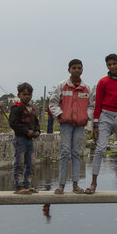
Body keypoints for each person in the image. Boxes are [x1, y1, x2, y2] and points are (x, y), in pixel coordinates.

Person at [87, 53, 117, 194]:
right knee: (100, 148)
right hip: (105, 116)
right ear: (107, 67)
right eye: (109, 65)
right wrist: (95, 124)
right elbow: (98, 105)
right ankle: (93, 183)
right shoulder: (103, 82)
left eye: (114, 63)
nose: (112, 67)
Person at [49, 59, 92, 194]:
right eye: (74, 68)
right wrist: (60, 115)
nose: (76, 70)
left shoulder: (87, 88)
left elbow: (92, 105)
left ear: (82, 70)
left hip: (79, 125)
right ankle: (61, 184)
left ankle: (75, 185)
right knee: (65, 152)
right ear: (69, 70)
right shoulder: (62, 86)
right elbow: (53, 103)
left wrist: (86, 116)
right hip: (66, 124)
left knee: (76, 153)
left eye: (79, 68)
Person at [9, 82, 41, 195]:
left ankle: (27, 185)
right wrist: (26, 131)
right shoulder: (16, 108)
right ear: (19, 95)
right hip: (20, 139)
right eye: (24, 94)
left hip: (29, 140)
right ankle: (18, 186)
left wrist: (37, 131)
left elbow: (36, 123)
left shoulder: (31, 109)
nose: (27, 96)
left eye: (29, 94)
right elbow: (13, 123)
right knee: (19, 163)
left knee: (31, 163)